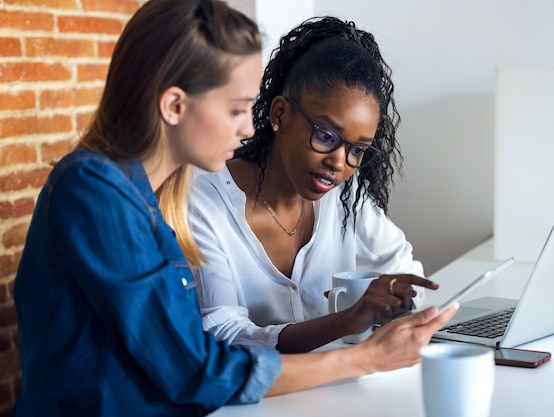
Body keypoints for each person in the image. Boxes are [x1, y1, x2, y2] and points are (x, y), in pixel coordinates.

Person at [12, 1, 457, 415]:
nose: (249, 128)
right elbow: (196, 370)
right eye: (236, 110)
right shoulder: (93, 192)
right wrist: (365, 358)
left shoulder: (147, 195)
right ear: (174, 106)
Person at [184, 16, 437, 353]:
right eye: (325, 135)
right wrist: (345, 320)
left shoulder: (345, 193)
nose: (338, 162)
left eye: (357, 150)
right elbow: (222, 332)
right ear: (279, 114)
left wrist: (393, 299)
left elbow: (402, 267)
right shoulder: (202, 202)